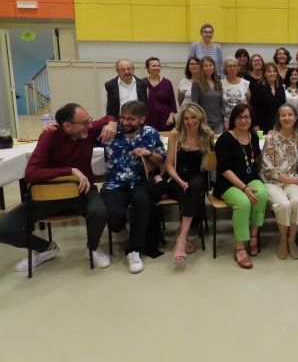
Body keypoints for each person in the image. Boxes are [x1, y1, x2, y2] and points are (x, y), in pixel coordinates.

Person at [0, 104, 115, 272]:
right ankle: (45, 248)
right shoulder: (49, 136)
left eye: (89, 120)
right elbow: (31, 173)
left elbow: (109, 117)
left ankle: (92, 248)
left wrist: (112, 123)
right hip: (48, 196)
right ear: (67, 126)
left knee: (100, 212)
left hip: (81, 193)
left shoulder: (87, 131)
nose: (90, 126)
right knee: (3, 229)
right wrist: (70, 171)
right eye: (84, 123)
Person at [101, 100, 166, 273]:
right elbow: (83, 133)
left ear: (142, 119)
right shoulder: (110, 131)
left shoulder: (150, 133)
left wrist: (149, 153)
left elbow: (162, 158)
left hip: (140, 180)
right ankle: (119, 228)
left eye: (131, 119)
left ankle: (134, 251)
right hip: (114, 183)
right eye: (123, 118)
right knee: (114, 216)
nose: (125, 122)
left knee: (143, 202)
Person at [153, 104, 214, 264]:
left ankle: (181, 238)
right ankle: (182, 237)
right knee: (193, 196)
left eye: (193, 117)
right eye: (186, 118)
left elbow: (210, 162)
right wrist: (180, 182)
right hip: (176, 177)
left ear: (200, 118)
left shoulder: (207, 134)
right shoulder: (176, 134)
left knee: (195, 187)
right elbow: (168, 165)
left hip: (195, 176)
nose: (190, 122)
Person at [214, 104, 268, 269]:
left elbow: (255, 159)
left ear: (252, 119)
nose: (243, 120)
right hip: (227, 183)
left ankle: (253, 235)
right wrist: (244, 188)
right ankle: (239, 247)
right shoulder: (224, 139)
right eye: (239, 117)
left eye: (247, 117)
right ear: (233, 119)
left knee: (262, 194)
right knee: (243, 202)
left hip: (249, 177)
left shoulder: (254, 137)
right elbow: (224, 169)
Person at [259, 104, 298, 260]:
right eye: (283, 115)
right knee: (284, 204)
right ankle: (282, 240)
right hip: (272, 181)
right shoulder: (271, 140)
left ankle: (291, 240)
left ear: (295, 118)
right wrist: (293, 180)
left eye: (290, 115)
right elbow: (268, 169)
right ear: (279, 119)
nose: (287, 118)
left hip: (291, 181)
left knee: (297, 202)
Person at [191, 56, 225, 134]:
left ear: (214, 67)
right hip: (204, 122)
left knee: (219, 141)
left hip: (218, 121)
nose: (208, 68)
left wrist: (225, 119)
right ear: (201, 68)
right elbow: (195, 105)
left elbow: (222, 102)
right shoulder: (197, 83)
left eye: (210, 65)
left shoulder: (218, 82)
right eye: (205, 66)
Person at [250, 62, 286, 133]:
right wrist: (255, 124)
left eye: (274, 71)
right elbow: (253, 107)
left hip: (278, 123)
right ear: (264, 74)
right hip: (262, 124)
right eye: (269, 71)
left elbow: (283, 105)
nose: (272, 73)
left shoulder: (280, 86)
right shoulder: (258, 87)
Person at [143, 57, 177, 132]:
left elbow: (172, 103)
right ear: (147, 68)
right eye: (154, 66)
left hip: (164, 120)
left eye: (158, 66)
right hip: (148, 120)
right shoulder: (142, 83)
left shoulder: (167, 83)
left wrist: (171, 117)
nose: (157, 68)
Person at [221, 56, 251, 130]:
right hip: (226, 121)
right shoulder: (220, 83)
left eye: (234, 66)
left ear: (237, 68)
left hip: (243, 120)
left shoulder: (245, 83)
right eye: (230, 66)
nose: (232, 68)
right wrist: (224, 120)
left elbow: (249, 103)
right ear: (225, 68)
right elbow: (219, 104)